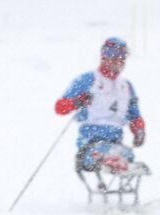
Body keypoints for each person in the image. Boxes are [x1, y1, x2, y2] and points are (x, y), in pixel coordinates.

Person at [55, 37, 146, 177]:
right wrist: (76, 102)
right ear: (104, 58)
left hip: (116, 142)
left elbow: (134, 115)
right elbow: (60, 107)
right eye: (115, 58)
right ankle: (110, 162)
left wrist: (139, 130)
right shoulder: (88, 80)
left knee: (127, 155)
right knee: (100, 154)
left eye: (122, 59)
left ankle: (119, 163)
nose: (119, 63)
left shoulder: (126, 86)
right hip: (90, 143)